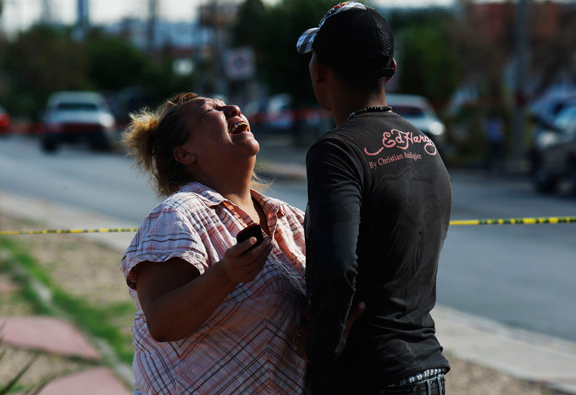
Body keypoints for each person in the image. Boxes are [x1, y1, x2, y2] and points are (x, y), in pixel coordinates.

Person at [295, 2, 452, 394]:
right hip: (427, 370)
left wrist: (321, 347)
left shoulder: (337, 151)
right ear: (391, 70)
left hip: (368, 375)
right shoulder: (425, 147)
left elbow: (337, 265)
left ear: (319, 71)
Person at [120, 92, 307, 394]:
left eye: (228, 105)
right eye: (213, 112)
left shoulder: (291, 219)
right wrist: (225, 276)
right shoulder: (177, 215)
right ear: (185, 154)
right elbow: (162, 323)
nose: (234, 108)